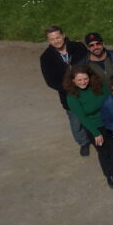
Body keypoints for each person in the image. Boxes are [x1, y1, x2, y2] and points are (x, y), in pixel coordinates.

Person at [64, 65, 113, 189]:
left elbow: (110, 101)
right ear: (73, 81)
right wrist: (95, 133)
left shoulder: (99, 87)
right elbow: (82, 118)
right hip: (94, 126)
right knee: (104, 152)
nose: (83, 82)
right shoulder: (72, 97)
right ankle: (110, 174)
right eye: (79, 80)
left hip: (108, 121)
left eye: (85, 79)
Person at [42, 27, 91, 157]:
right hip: (68, 95)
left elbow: (89, 65)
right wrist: (70, 88)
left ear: (63, 35)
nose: (56, 41)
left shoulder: (78, 47)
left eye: (58, 37)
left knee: (94, 114)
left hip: (88, 89)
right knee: (76, 121)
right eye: (52, 39)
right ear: (48, 40)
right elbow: (50, 81)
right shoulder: (46, 58)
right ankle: (83, 142)